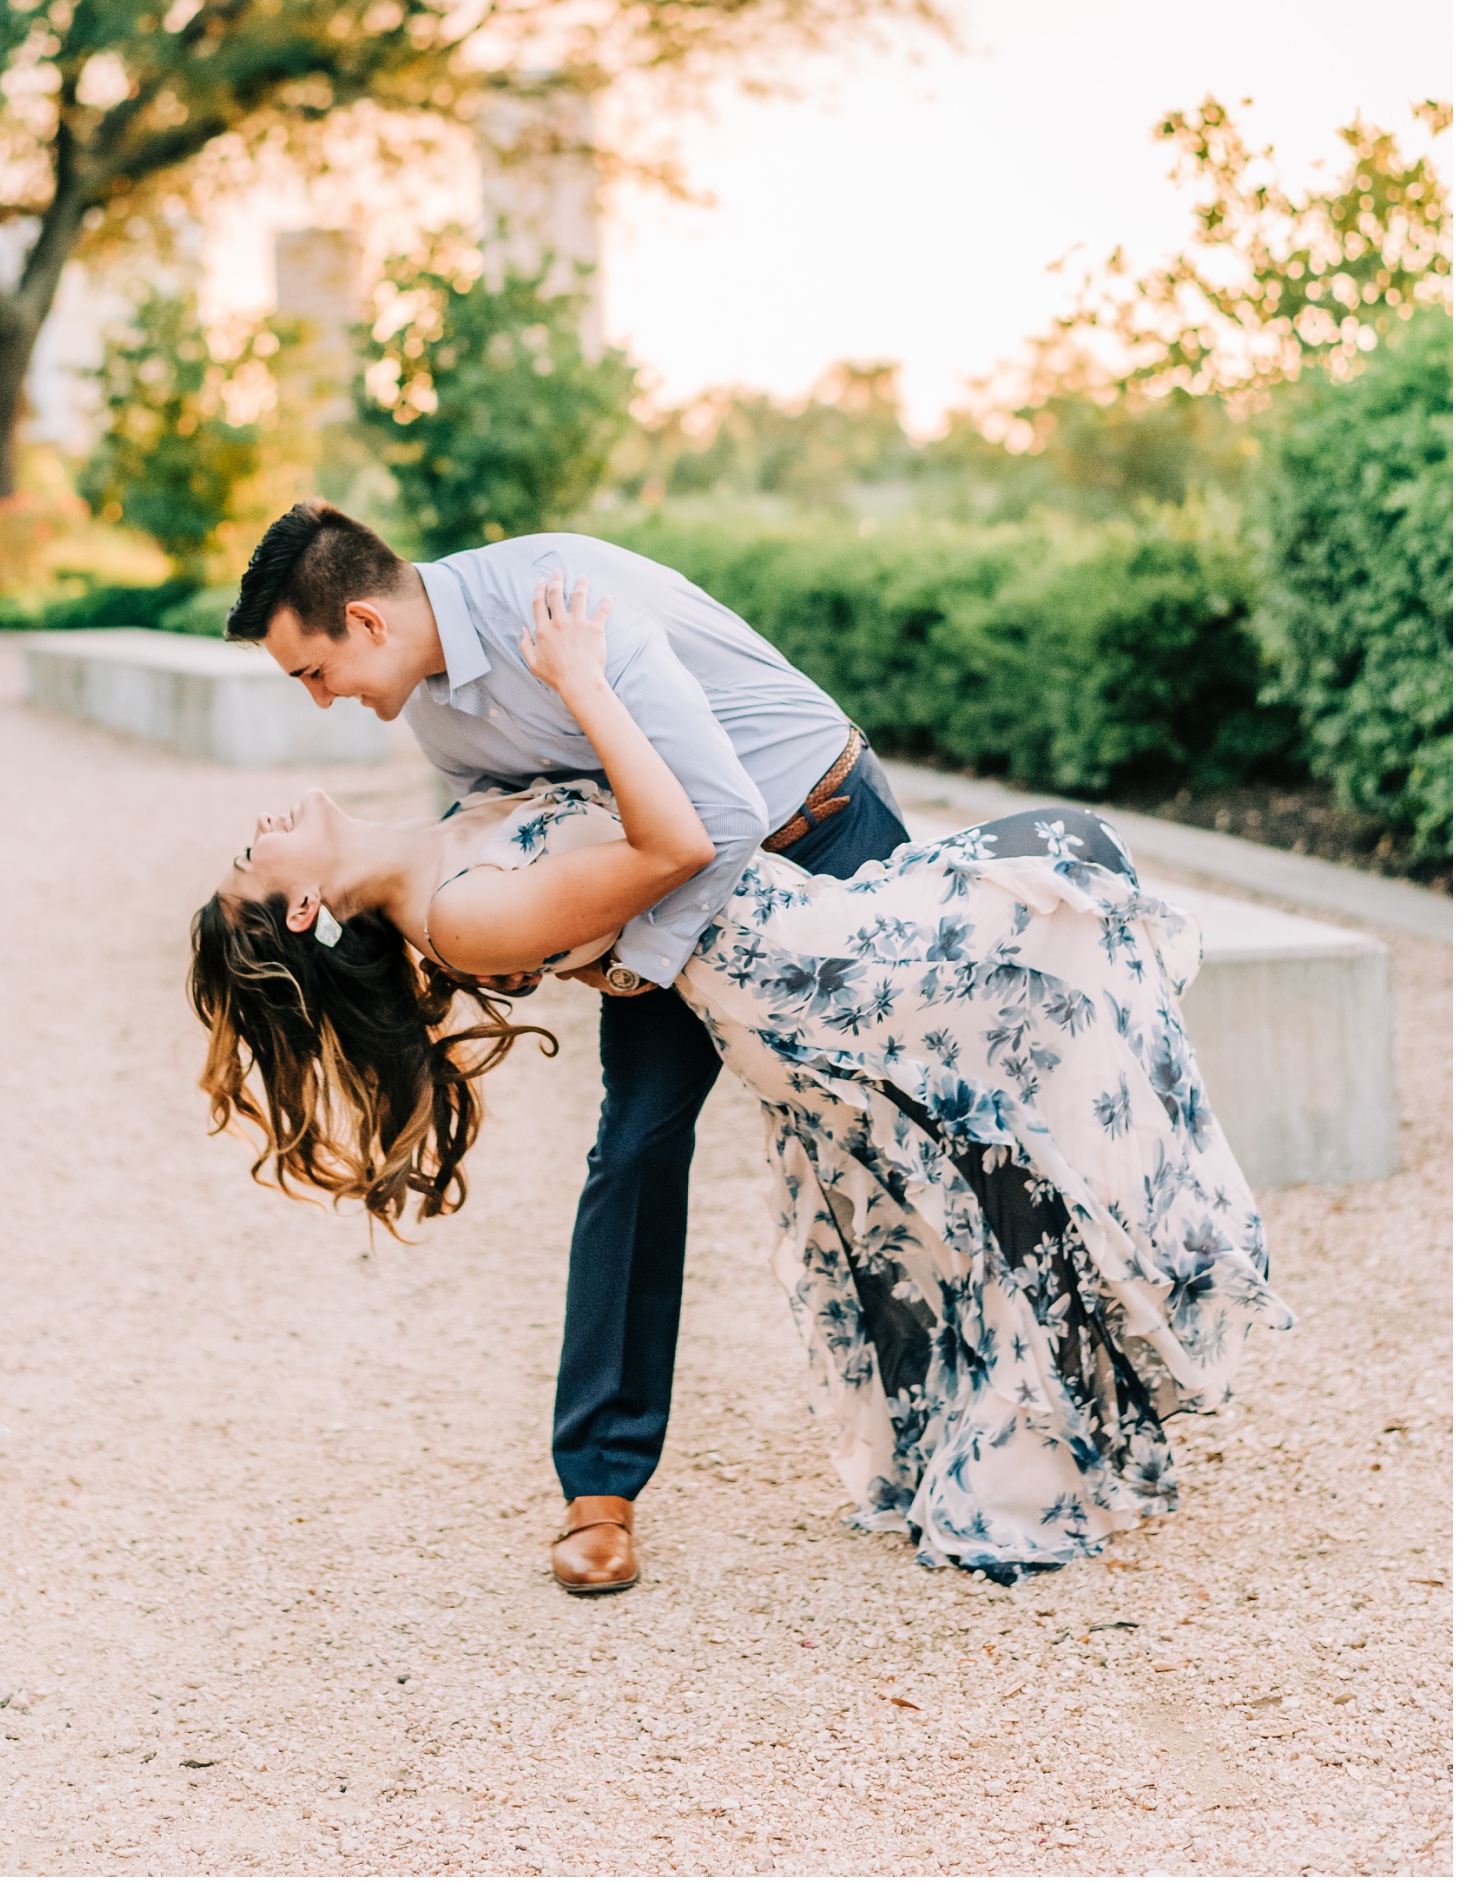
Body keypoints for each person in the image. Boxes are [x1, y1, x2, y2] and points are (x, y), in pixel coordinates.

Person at [194, 570, 1287, 1580]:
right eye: (252, 857)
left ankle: (1046, 1412)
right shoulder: (458, 912)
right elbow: (671, 845)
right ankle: (615, 1486)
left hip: (804, 889)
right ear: (300, 910)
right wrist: (580, 677)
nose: (256, 828)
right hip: (800, 963)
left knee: (963, 1139)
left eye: (313, 668)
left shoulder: (449, 797)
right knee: (1049, 928)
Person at [223, 499, 921, 1594]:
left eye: (311, 670)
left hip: (820, 834)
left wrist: (633, 961)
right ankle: (598, 1487)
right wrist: (531, 948)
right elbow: (538, 834)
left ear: (361, 620)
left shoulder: (559, 600)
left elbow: (722, 813)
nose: (324, 701)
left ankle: (1005, 1403)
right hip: (678, 884)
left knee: (901, 1135)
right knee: (632, 1146)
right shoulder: (435, 717)